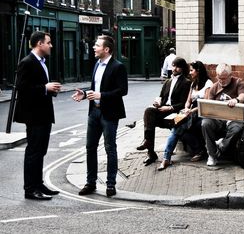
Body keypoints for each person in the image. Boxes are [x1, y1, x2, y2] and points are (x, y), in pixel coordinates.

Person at [71, 35, 128, 197]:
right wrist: (84, 94)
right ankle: (90, 183)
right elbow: (94, 88)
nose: (94, 47)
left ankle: (111, 184)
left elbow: (122, 91)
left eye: (97, 45)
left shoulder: (118, 67)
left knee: (110, 148)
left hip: (109, 114)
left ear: (106, 49)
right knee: (90, 148)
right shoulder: (96, 64)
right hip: (94, 113)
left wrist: (100, 95)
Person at [14, 31, 62, 200]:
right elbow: (22, 88)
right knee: (33, 151)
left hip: (44, 114)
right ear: (39, 44)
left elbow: (39, 86)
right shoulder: (27, 62)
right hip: (34, 116)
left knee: (40, 151)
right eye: (48, 42)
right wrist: (45, 88)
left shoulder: (42, 62)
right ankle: (30, 189)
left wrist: (51, 89)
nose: (51, 45)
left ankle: (38, 184)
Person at [158, 61, 213, 170]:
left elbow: (206, 104)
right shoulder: (193, 84)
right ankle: (169, 157)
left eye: (192, 70)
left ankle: (166, 158)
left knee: (177, 127)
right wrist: (187, 108)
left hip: (201, 113)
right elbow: (188, 101)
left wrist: (191, 111)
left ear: (198, 71)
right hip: (190, 112)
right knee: (176, 126)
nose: (190, 73)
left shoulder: (208, 83)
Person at [136, 57, 191, 166]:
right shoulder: (167, 81)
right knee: (149, 112)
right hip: (163, 112)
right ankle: (150, 149)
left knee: (149, 120)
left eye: (177, 67)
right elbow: (161, 97)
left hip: (176, 115)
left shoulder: (186, 82)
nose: (174, 68)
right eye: (173, 65)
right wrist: (157, 103)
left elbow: (183, 103)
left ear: (182, 68)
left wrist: (170, 108)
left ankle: (149, 147)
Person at [201, 63, 244, 167]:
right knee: (205, 123)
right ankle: (212, 155)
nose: (222, 81)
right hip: (217, 119)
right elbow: (209, 106)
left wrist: (236, 100)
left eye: (224, 78)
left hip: (233, 119)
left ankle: (221, 146)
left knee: (237, 128)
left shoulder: (238, 82)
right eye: (219, 78)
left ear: (231, 75)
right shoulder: (213, 88)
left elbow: (242, 96)